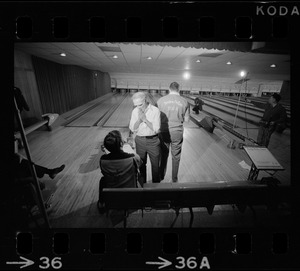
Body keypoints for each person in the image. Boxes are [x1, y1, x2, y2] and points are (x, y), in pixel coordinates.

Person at [98, 130, 143, 212]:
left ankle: (101, 204)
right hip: (131, 193)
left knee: (103, 180)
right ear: (121, 144)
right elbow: (140, 163)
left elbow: (105, 172)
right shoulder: (132, 157)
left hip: (112, 194)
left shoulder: (103, 160)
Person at [157, 82, 190, 182]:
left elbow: (156, 117)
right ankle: (174, 179)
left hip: (163, 131)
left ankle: (161, 176)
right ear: (179, 89)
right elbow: (187, 120)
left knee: (163, 155)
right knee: (176, 156)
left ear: (169, 89)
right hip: (177, 131)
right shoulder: (185, 101)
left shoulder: (160, 100)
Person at [129, 92, 161, 184]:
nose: (138, 107)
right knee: (141, 166)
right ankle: (142, 187)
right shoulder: (135, 111)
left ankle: (156, 188)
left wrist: (145, 120)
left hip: (153, 141)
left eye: (140, 104)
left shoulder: (155, 110)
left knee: (156, 167)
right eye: (136, 105)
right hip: (140, 141)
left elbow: (156, 129)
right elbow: (132, 128)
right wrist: (139, 120)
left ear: (145, 100)